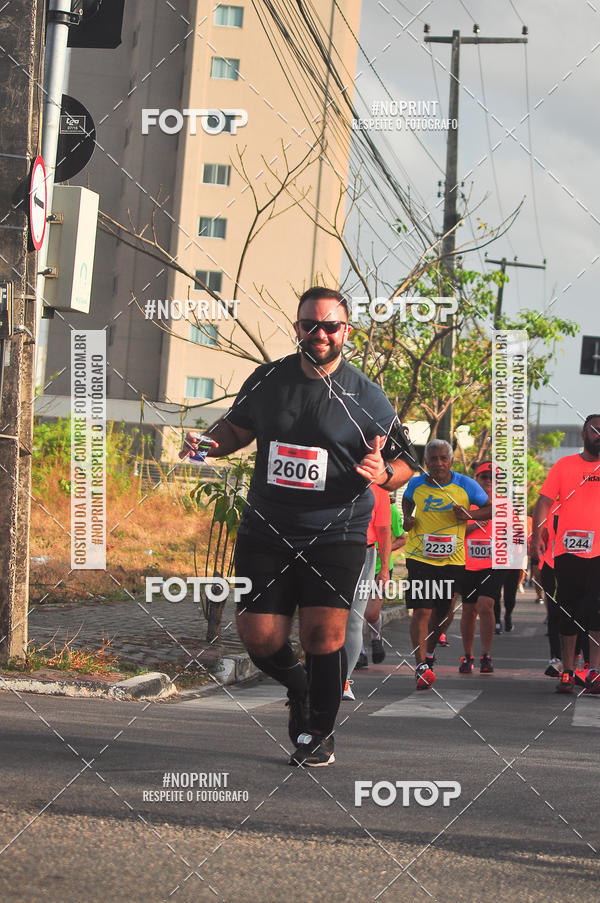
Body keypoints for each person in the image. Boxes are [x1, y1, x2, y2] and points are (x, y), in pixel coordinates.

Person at [184, 287, 416, 764]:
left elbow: (404, 465)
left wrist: (383, 475)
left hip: (336, 533)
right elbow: (236, 429)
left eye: (331, 326)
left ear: (346, 332)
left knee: (322, 637)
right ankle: (302, 687)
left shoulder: (367, 395)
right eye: (311, 325)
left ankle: (318, 735)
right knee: (260, 639)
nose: (321, 334)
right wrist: (206, 443)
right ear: (297, 328)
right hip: (265, 529)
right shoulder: (268, 380)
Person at [402, 440, 492, 689]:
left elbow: (491, 509)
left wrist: (469, 515)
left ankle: (429, 653)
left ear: (451, 461)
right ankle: (420, 666)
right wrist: (408, 518)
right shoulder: (416, 483)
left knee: (443, 612)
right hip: (419, 556)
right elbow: (408, 500)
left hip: (452, 560)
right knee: (422, 610)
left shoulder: (466, 485)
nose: (438, 463)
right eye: (433, 459)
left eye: (443, 458)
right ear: (426, 462)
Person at [532, 414, 600, 694]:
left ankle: (595, 672)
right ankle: (568, 671)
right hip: (568, 553)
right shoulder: (564, 466)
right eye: (595, 430)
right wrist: (536, 535)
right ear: (584, 435)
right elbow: (544, 501)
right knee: (567, 612)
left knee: (596, 612)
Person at [342, 483, 392, 700]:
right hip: (329, 552)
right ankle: (320, 673)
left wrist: (384, 570)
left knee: (354, 619)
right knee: (323, 616)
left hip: (365, 555)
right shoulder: (332, 479)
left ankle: (343, 680)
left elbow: (384, 530)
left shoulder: (379, 491)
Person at [354, 498, 405, 671]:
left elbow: (401, 538)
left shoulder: (391, 509)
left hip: (381, 568)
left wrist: (381, 550)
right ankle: (359, 653)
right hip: (357, 567)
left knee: (371, 613)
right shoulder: (354, 503)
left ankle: (376, 637)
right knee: (356, 612)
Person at [460, 462, 501, 674]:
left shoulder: (505, 505)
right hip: (467, 563)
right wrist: (475, 525)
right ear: (476, 479)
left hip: (493, 565)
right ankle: (468, 656)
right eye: (483, 477)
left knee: (486, 605)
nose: (487, 481)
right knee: (468, 610)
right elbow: (457, 532)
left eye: (492, 477)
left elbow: (514, 534)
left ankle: (486, 655)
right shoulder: (467, 503)